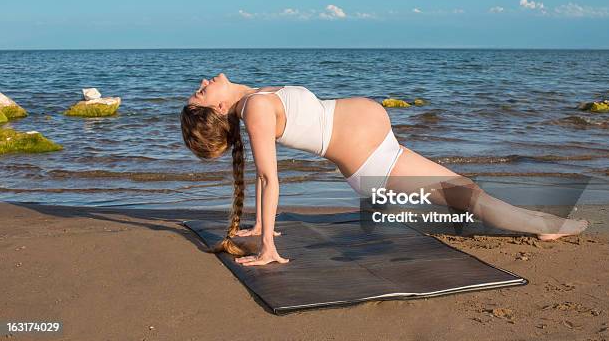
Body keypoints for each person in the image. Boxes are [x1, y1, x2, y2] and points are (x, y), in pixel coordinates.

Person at [180, 73, 588, 266]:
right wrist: (267, 244)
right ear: (217, 109)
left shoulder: (254, 96)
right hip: (375, 163)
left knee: (463, 192)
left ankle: (531, 219)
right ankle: (542, 223)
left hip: (383, 152)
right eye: (201, 92)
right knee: (467, 197)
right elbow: (269, 176)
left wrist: (255, 225)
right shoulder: (254, 109)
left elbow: (259, 171)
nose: (203, 81)